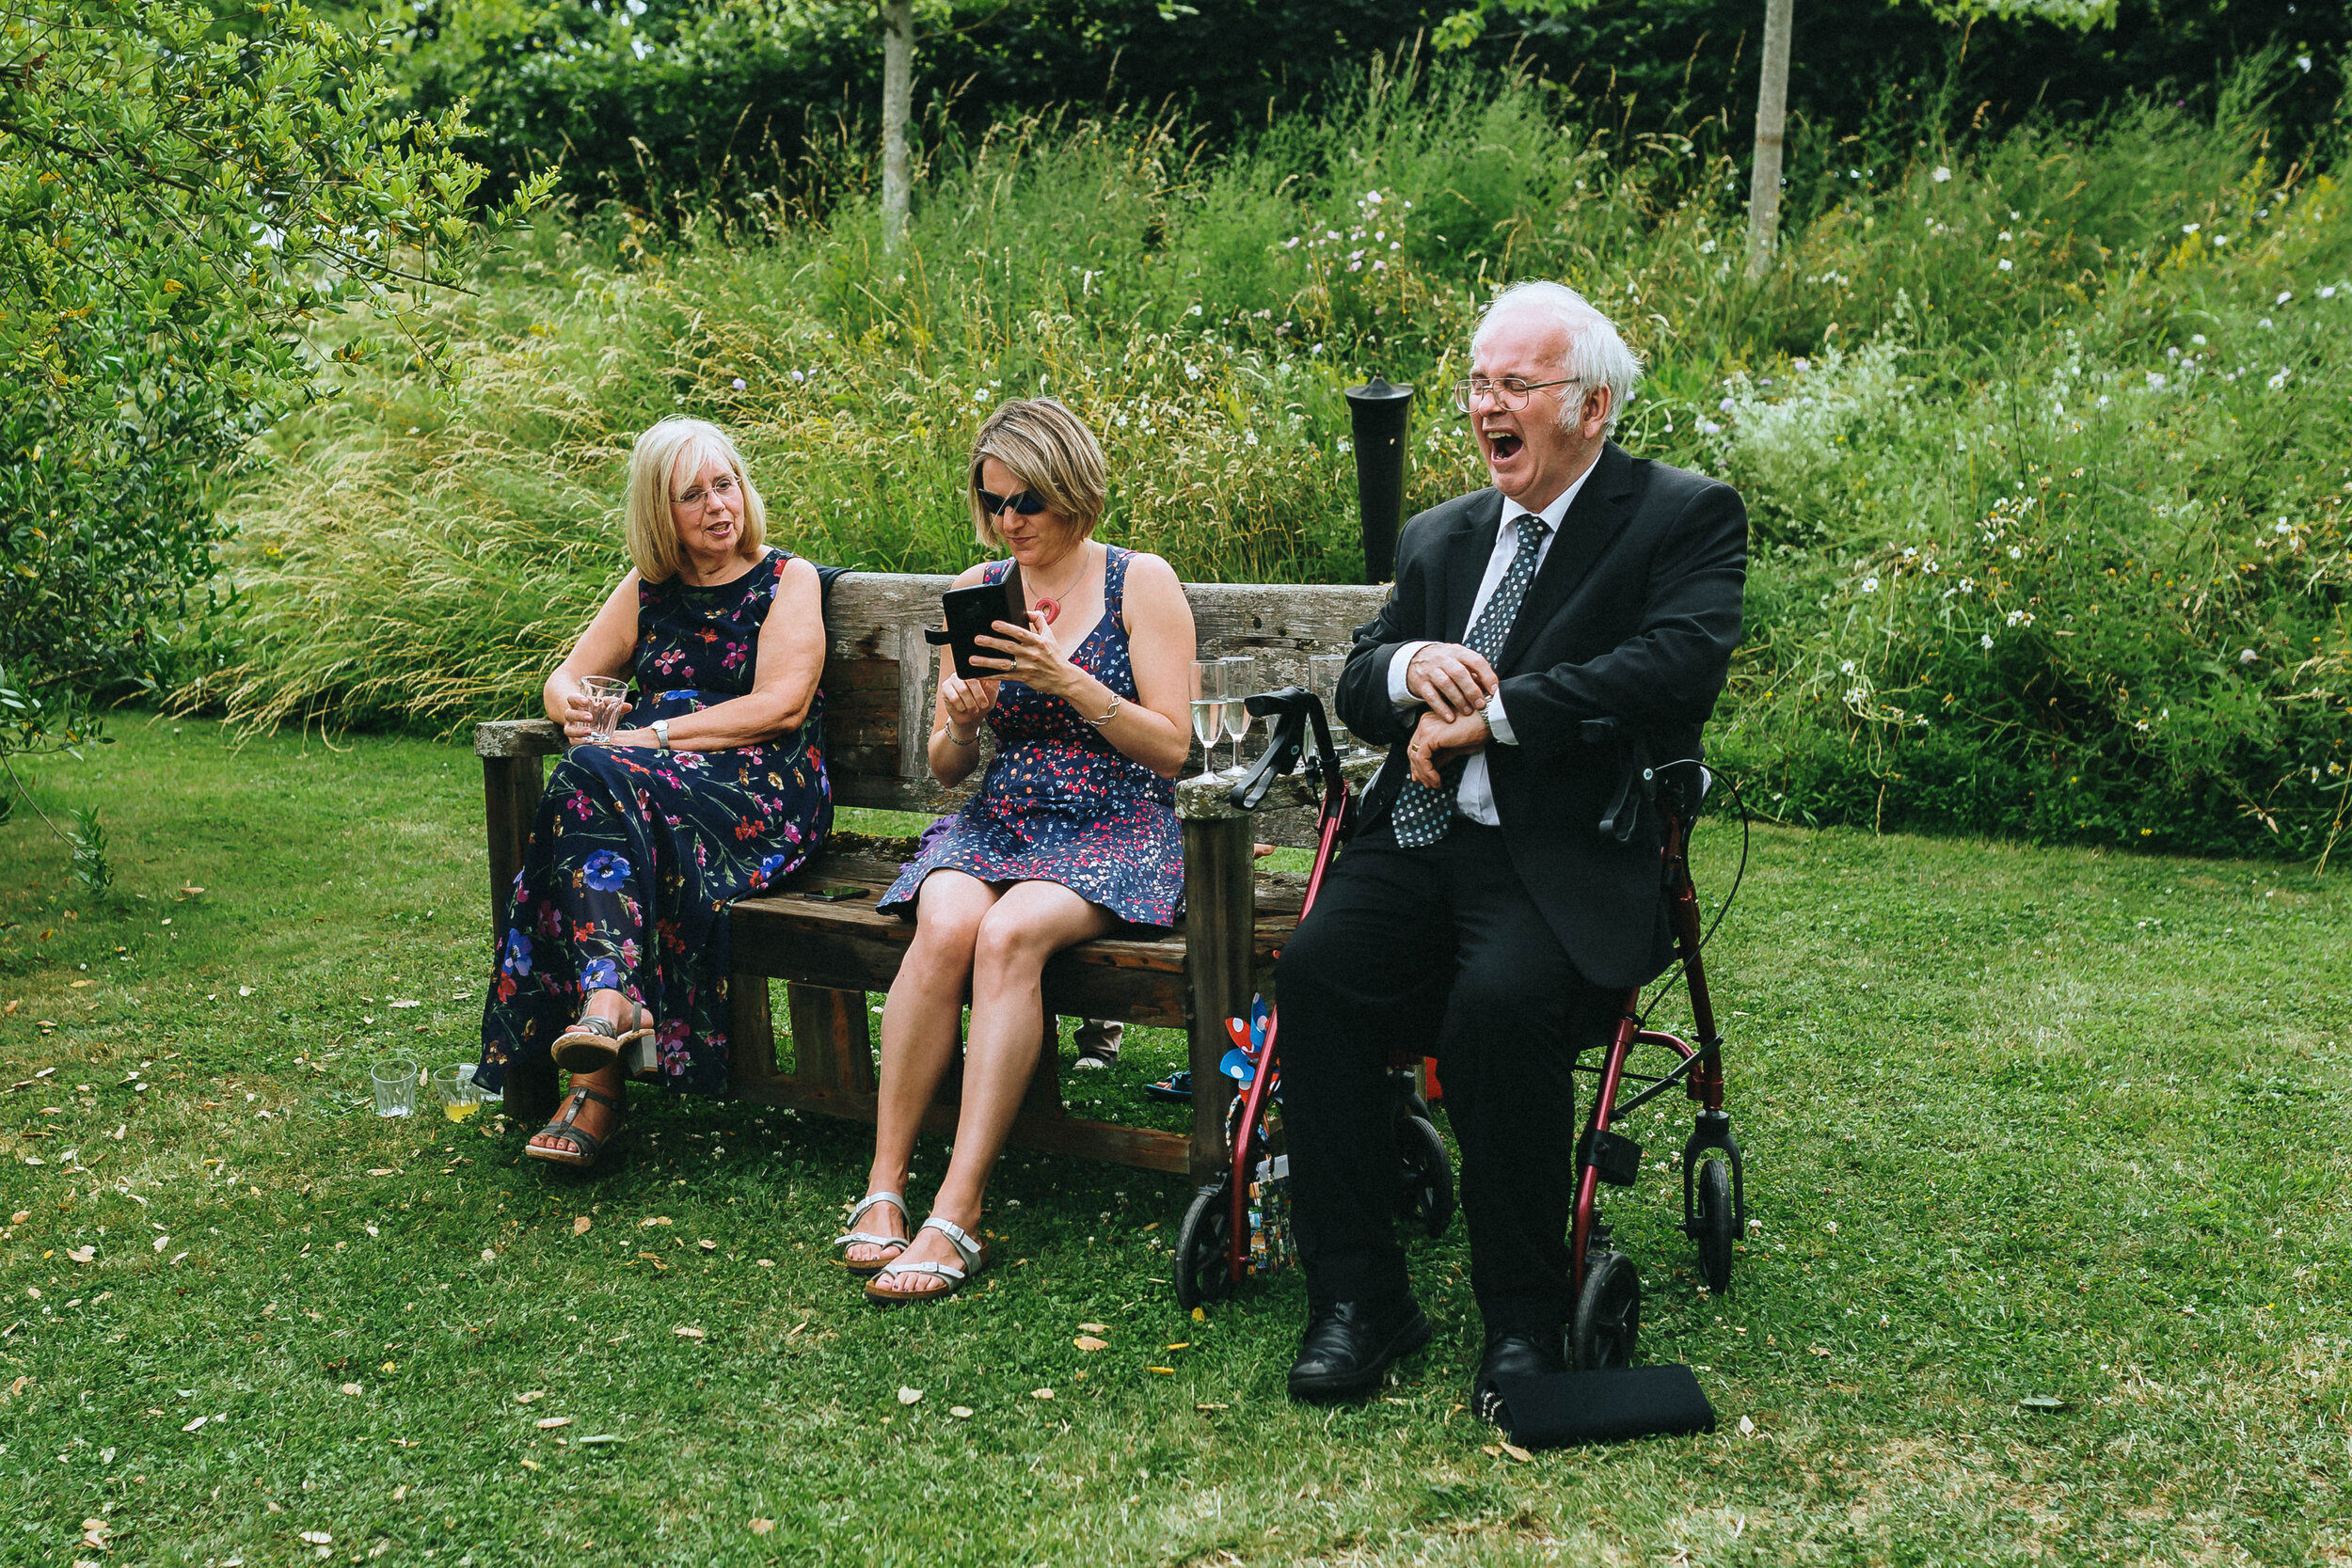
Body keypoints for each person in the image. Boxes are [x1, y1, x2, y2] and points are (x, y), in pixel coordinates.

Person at [1274, 282, 1747, 1404]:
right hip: (1420, 841)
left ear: (1589, 406)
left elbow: (1676, 663)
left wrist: (1494, 712)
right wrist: (1407, 672)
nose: (1487, 404)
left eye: (1514, 385)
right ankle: (1358, 1296)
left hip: (1565, 850)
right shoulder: (1441, 534)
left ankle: (1525, 1321)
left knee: (1497, 1005)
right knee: (1318, 971)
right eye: (1478, 384)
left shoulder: (1678, 515)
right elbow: (1360, 675)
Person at [839, 398, 1196, 1304]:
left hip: (1118, 822)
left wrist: (1063, 679)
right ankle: (885, 1184)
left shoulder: (1137, 582)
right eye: (994, 501)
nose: (1009, 521)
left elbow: (1175, 747)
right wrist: (964, 718)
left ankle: (957, 1210)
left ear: (1073, 487)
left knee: (1009, 936)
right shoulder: (982, 585)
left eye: (1026, 500)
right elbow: (944, 765)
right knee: (949, 917)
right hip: (1006, 815)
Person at [477, 418, 832, 1167]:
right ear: (658, 512)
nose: (717, 506)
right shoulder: (648, 590)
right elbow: (567, 677)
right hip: (649, 790)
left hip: (758, 789)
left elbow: (783, 705)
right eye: (693, 494)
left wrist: (642, 739)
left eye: (725, 484)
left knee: (588, 782)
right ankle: (608, 1012)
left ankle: (600, 1068)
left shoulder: (786, 580)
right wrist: (570, 706)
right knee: (589, 783)